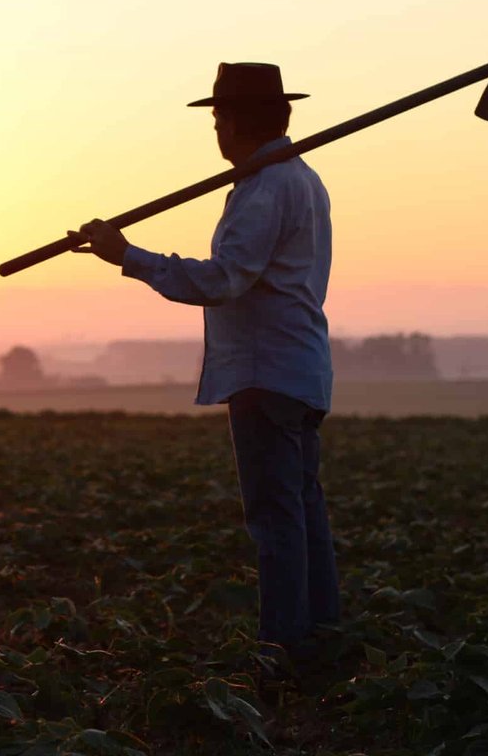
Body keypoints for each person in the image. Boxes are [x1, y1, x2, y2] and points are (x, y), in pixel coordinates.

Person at [69, 62, 339, 672]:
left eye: (218, 116)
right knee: (301, 511)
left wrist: (127, 255)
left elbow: (223, 279)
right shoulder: (300, 179)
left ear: (237, 121)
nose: (214, 129)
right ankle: (321, 636)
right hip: (299, 367)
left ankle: (285, 649)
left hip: (266, 371)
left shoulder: (266, 188)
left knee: (277, 516)